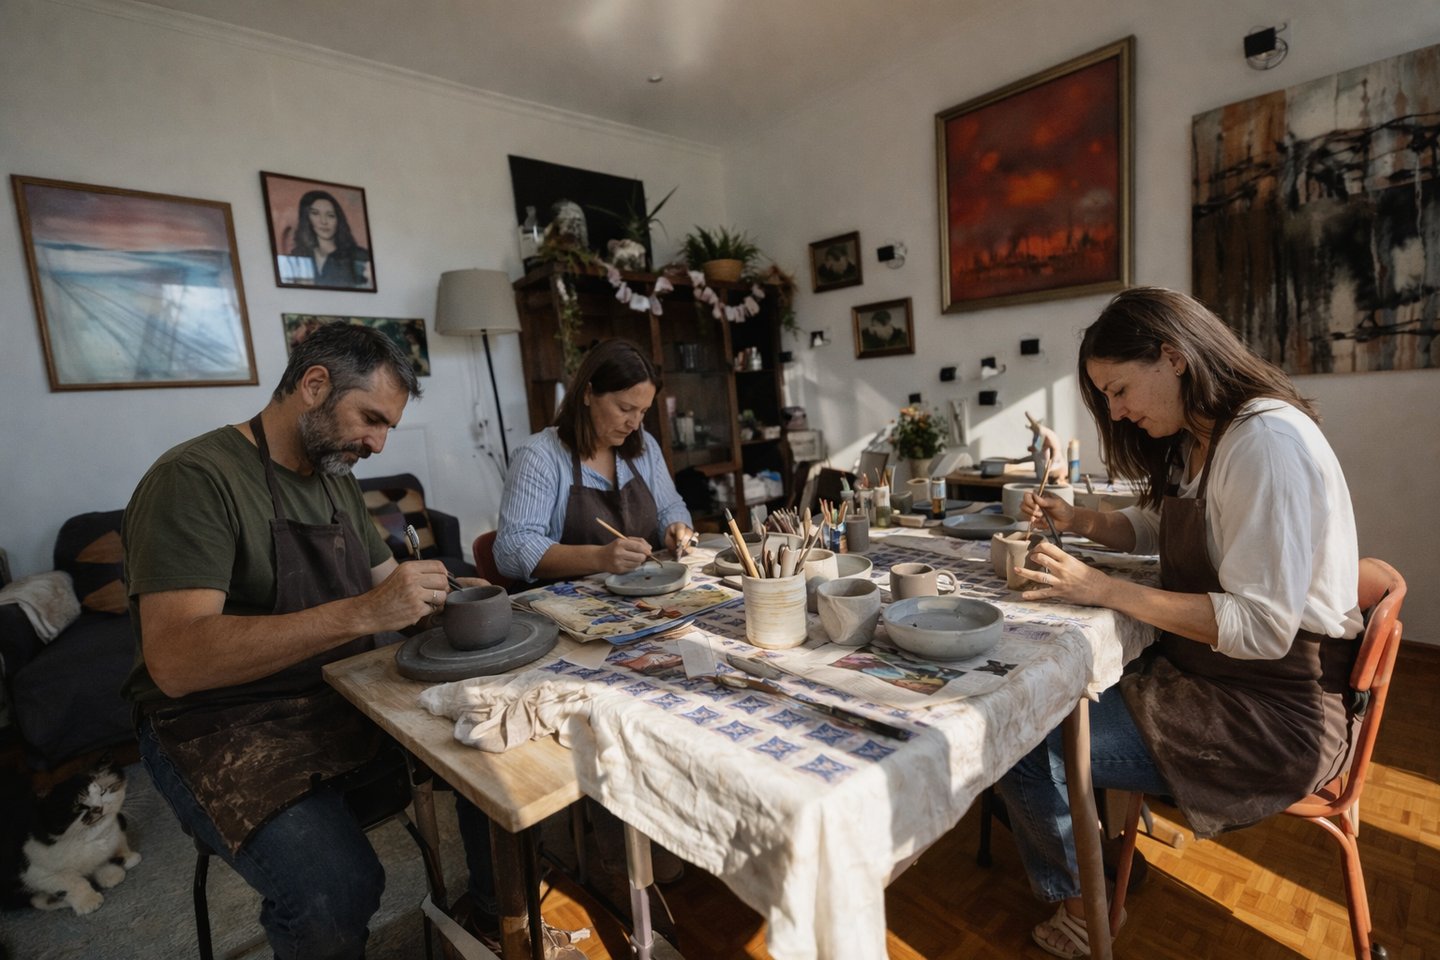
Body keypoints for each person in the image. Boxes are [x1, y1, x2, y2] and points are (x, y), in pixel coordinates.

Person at [996, 287, 1361, 958]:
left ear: (1174, 357)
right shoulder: (1202, 437)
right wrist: (1080, 520)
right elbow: (1154, 527)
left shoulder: (1264, 442)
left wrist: (1101, 588)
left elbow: (1263, 626)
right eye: (1106, 397)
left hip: (1273, 714)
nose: (1116, 411)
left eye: (1119, 389)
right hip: (1211, 677)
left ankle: (1084, 913)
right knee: (1058, 691)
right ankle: (1101, 855)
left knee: (1025, 739)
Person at [122, 323, 500, 958]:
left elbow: (390, 590)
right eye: (371, 419)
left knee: (488, 755)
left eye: (388, 428)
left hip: (335, 695)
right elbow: (177, 660)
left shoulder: (334, 478)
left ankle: (491, 920)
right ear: (315, 384)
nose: (378, 443)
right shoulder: (194, 477)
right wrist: (361, 613)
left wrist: (459, 601)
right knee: (334, 887)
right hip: (214, 725)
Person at [494, 338, 695, 583]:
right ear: (588, 393)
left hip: (642, 590)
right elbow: (511, 549)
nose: (634, 424)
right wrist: (599, 558)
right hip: (567, 601)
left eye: (643, 411)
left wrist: (675, 528)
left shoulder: (645, 446)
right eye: (625, 408)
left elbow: (669, 507)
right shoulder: (538, 457)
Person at [288, 189, 372, 288]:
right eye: (315, 213)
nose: (324, 221)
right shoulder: (298, 256)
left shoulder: (359, 256)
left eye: (330, 215)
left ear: (338, 220)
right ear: (306, 218)